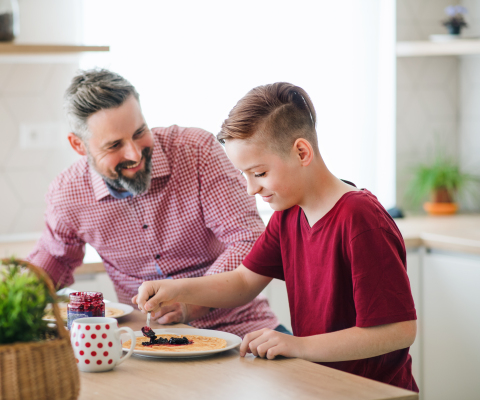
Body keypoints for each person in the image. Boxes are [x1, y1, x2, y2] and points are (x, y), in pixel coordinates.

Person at [135, 82, 418, 392]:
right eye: (244, 175)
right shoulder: (287, 214)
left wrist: (298, 346)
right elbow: (243, 283)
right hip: (318, 386)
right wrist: (174, 289)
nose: (251, 188)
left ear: (301, 151)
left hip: (370, 391)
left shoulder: (359, 218)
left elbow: (399, 330)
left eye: (259, 173)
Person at [27, 68, 283, 337]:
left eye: (139, 132)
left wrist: (192, 301)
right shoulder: (68, 193)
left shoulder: (197, 153)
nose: (135, 153)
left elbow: (249, 240)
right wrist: (10, 296)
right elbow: (55, 260)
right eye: (114, 145)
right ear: (79, 146)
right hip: (143, 342)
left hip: (241, 327)